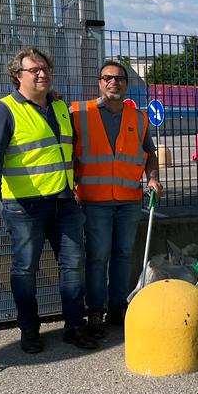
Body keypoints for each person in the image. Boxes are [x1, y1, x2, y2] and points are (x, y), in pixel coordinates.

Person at [0, 46, 94, 353]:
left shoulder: (59, 107)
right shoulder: (5, 110)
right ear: (17, 76)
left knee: (73, 265)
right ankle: (29, 329)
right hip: (24, 206)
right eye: (35, 70)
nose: (43, 74)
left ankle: (74, 326)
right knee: (24, 269)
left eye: (45, 68)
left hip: (64, 201)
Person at [70, 60, 162, 338]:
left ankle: (118, 307)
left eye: (120, 78)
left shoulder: (139, 118)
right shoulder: (78, 113)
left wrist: (153, 179)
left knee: (122, 254)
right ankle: (95, 310)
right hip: (94, 200)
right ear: (99, 82)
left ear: (126, 83)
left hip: (128, 200)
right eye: (108, 77)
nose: (114, 82)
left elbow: (150, 154)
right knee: (98, 256)